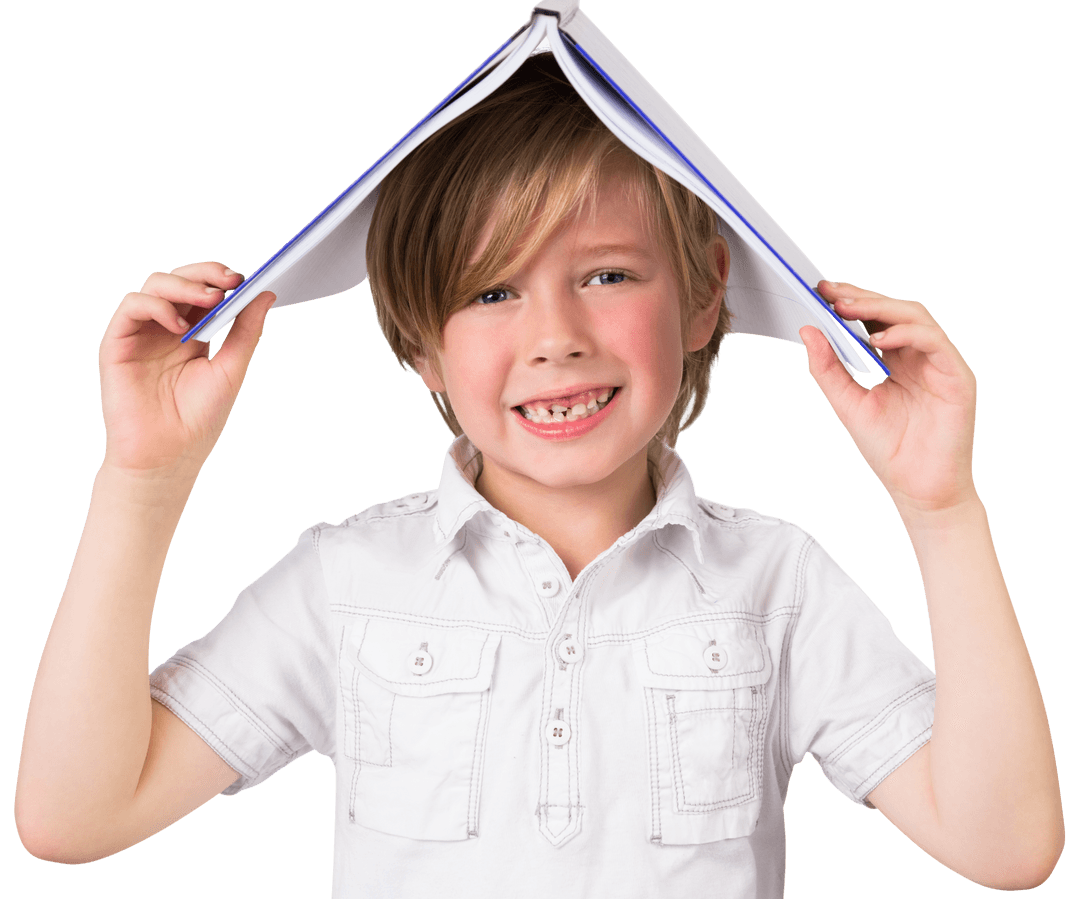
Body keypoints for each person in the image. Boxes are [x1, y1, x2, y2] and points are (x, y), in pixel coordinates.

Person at [15, 52, 1063, 896]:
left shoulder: (776, 579)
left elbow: (1007, 847)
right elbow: (76, 816)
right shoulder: (349, 578)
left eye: (607, 274)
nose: (555, 337)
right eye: (489, 291)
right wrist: (140, 480)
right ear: (416, 340)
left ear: (705, 301)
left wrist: (944, 510)